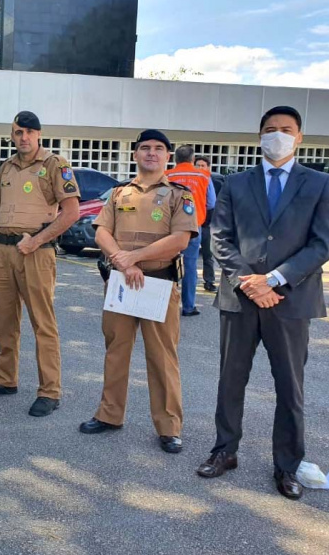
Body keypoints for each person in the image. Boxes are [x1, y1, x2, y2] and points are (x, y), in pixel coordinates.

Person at [196, 106, 329, 500]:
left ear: (300, 137)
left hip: (290, 300)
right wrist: (250, 281)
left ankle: (287, 465)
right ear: (259, 136)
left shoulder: (320, 184)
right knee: (231, 379)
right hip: (240, 299)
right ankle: (225, 450)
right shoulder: (236, 183)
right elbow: (220, 238)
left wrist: (275, 279)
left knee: (289, 386)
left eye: (286, 129)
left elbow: (323, 243)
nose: (277, 135)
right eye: (270, 129)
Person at [79, 130, 196, 454]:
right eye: (145, 148)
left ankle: (169, 427)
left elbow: (180, 240)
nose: (151, 153)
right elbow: (102, 231)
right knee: (116, 350)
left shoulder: (178, 195)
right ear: (135, 154)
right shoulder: (118, 194)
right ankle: (109, 414)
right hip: (121, 282)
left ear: (168, 156)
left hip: (158, 282)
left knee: (162, 358)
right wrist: (123, 261)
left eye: (159, 149)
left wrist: (135, 257)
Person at [0, 111, 80, 417]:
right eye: (18, 132)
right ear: (12, 135)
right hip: (4, 253)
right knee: (5, 322)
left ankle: (50, 391)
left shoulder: (55, 165)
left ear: (39, 134)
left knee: (42, 323)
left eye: (29, 132)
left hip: (36, 252)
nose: (24, 137)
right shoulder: (6, 167)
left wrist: (36, 241)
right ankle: (6, 379)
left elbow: (71, 211)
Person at [165, 145, 214, 316]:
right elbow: (211, 203)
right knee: (190, 266)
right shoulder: (204, 176)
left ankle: (165, 303)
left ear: (175, 159)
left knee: (165, 264)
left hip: (168, 227)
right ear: (193, 160)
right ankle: (188, 306)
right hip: (193, 226)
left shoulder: (167, 176)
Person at [193, 156, 218, 292]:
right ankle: (193, 281)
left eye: (203, 166)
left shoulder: (208, 179)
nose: (200, 168)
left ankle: (209, 281)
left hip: (206, 222)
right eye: (197, 165)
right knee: (191, 255)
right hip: (196, 222)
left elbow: (212, 202)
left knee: (207, 254)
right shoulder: (196, 179)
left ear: (208, 167)